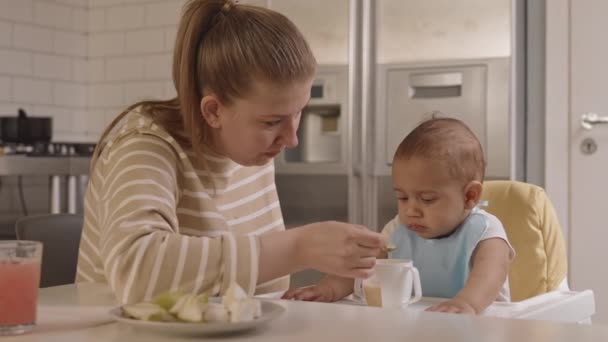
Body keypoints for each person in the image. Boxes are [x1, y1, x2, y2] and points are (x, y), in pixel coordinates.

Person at [76, 0, 386, 304]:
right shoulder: (145, 146)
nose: (291, 139)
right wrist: (298, 247)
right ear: (213, 111)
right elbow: (138, 269)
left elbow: (253, 287)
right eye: (272, 121)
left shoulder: (252, 152)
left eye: (298, 112)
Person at [283, 118, 515, 315]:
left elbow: (491, 274)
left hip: (480, 327)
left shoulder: (486, 231)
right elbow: (361, 266)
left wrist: (465, 304)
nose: (410, 210)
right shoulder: (399, 228)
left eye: (427, 199)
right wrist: (327, 289)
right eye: (403, 198)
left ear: (470, 196)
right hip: (417, 324)